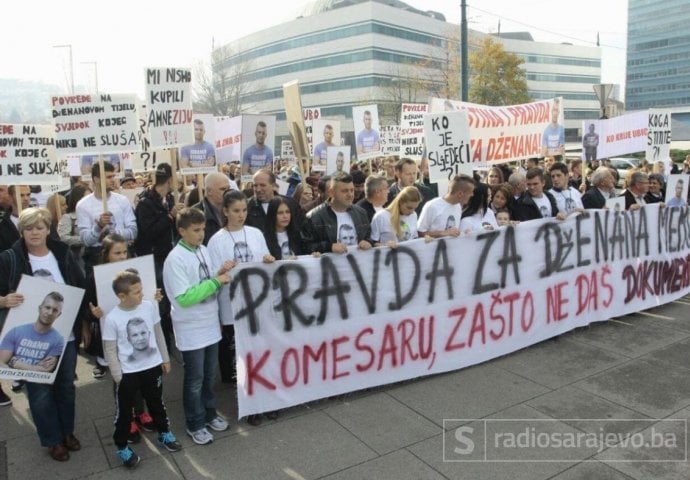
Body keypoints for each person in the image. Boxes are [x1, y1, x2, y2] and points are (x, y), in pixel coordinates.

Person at [0, 207, 88, 461]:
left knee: (66, 386)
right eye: (29, 228)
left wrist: (82, 323)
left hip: (64, 335)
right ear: (22, 231)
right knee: (39, 391)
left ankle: (67, 432)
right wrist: (5, 300)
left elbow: (79, 287)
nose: (35, 232)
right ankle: (52, 440)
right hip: (29, 339)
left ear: (48, 229)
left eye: (39, 227)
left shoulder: (62, 253)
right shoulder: (9, 258)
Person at [162, 207, 232, 446]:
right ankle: (195, 423)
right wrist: (216, 281)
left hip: (209, 323)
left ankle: (210, 414)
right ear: (182, 231)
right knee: (195, 378)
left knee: (209, 375)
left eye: (203, 229)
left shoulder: (202, 250)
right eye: (196, 230)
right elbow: (183, 297)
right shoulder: (175, 259)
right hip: (191, 328)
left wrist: (219, 272)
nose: (201, 234)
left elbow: (207, 276)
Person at [207, 191, 275, 425]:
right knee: (243, 357)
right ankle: (251, 404)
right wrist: (222, 270)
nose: (241, 215)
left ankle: (267, 400)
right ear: (225, 211)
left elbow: (265, 259)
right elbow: (213, 277)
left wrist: (268, 260)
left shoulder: (255, 233)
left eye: (244, 210)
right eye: (236, 211)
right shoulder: (216, 241)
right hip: (233, 305)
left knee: (262, 352)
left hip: (258, 302)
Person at [102, 270, 182, 469]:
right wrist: (118, 375)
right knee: (124, 412)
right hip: (128, 374)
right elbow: (110, 349)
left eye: (141, 290)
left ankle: (164, 433)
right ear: (122, 296)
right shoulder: (112, 318)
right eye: (136, 292)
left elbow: (158, 333)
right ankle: (122, 446)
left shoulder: (148, 306)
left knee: (156, 403)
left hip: (152, 368)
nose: (141, 294)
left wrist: (165, 358)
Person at [133, 163, 183, 350]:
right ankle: (164, 344)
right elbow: (147, 232)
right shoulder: (146, 202)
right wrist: (169, 216)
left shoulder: (170, 199)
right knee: (160, 301)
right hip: (155, 258)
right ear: (170, 180)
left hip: (170, 255)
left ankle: (173, 336)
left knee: (173, 296)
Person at [76, 161, 137, 273]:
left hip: (122, 256)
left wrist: (113, 233)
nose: (113, 179)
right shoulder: (83, 205)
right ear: (96, 179)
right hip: (97, 258)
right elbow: (85, 240)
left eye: (113, 176)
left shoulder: (122, 201)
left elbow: (133, 231)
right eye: (109, 177)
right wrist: (98, 227)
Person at [301, 173, 373, 254]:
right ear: (331, 192)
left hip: (359, 265)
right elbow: (305, 247)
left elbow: (370, 236)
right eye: (344, 191)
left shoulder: (361, 213)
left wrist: (368, 242)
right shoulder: (314, 217)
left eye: (352, 190)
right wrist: (329, 247)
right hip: (330, 266)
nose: (350, 195)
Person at [0, 292, 65, 373]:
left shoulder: (58, 339)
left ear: (59, 314)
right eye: (47, 307)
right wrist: (35, 367)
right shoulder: (16, 332)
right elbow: (1, 363)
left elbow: (46, 370)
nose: (50, 313)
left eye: (55, 310)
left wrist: (16, 364)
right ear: (40, 308)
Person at [417, 174, 475, 238]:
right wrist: (443, 233)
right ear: (460, 194)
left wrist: (463, 233)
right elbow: (420, 233)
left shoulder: (458, 206)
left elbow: (452, 232)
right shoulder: (432, 206)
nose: (472, 195)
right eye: (470, 192)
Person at [246, 169, 304, 234]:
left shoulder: (291, 204)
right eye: (255, 185)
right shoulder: (246, 207)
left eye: (262, 185)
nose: (258, 189)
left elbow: (300, 229)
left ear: (273, 186)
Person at [57, 184, 91, 270]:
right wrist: (85, 239)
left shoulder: (96, 216)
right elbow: (63, 238)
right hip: (79, 260)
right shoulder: (68, 218)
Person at [193, 172, 231, 245]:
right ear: (209, 191)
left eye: (229, 188)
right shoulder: (194, 214)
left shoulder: (233, 209)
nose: (228, 192)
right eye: (223, 189)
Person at [0, 185, 31, 252]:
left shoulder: (40, 218)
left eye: (28, 195)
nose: (26, 198)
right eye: (21, 195)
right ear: (10, 197)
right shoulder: (3, 224)